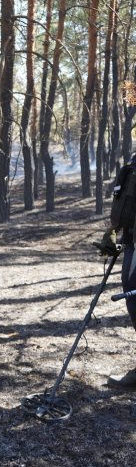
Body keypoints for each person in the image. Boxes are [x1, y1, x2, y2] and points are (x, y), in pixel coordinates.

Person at [96, 153, 136, 389]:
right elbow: (125, 201)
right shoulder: (133, 163)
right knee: (133, 301)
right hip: (131, 241)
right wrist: (112, 231)